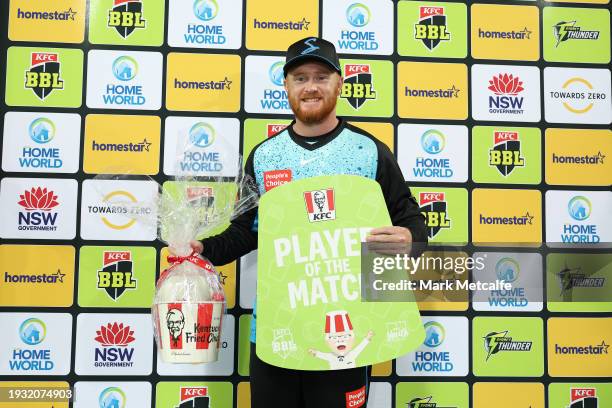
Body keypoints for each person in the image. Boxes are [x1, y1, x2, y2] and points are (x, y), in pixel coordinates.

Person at [190, 37, 427, 408]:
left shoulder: (369, 150)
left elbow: (409, 215)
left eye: (321, 76)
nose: (311, 86)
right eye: (300, 78)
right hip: (277, 329)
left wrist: (410, 238)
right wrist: (203, 250)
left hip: (348, 330)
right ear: (287, 86)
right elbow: (246, 230)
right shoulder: (264, 156)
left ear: (339, 83)